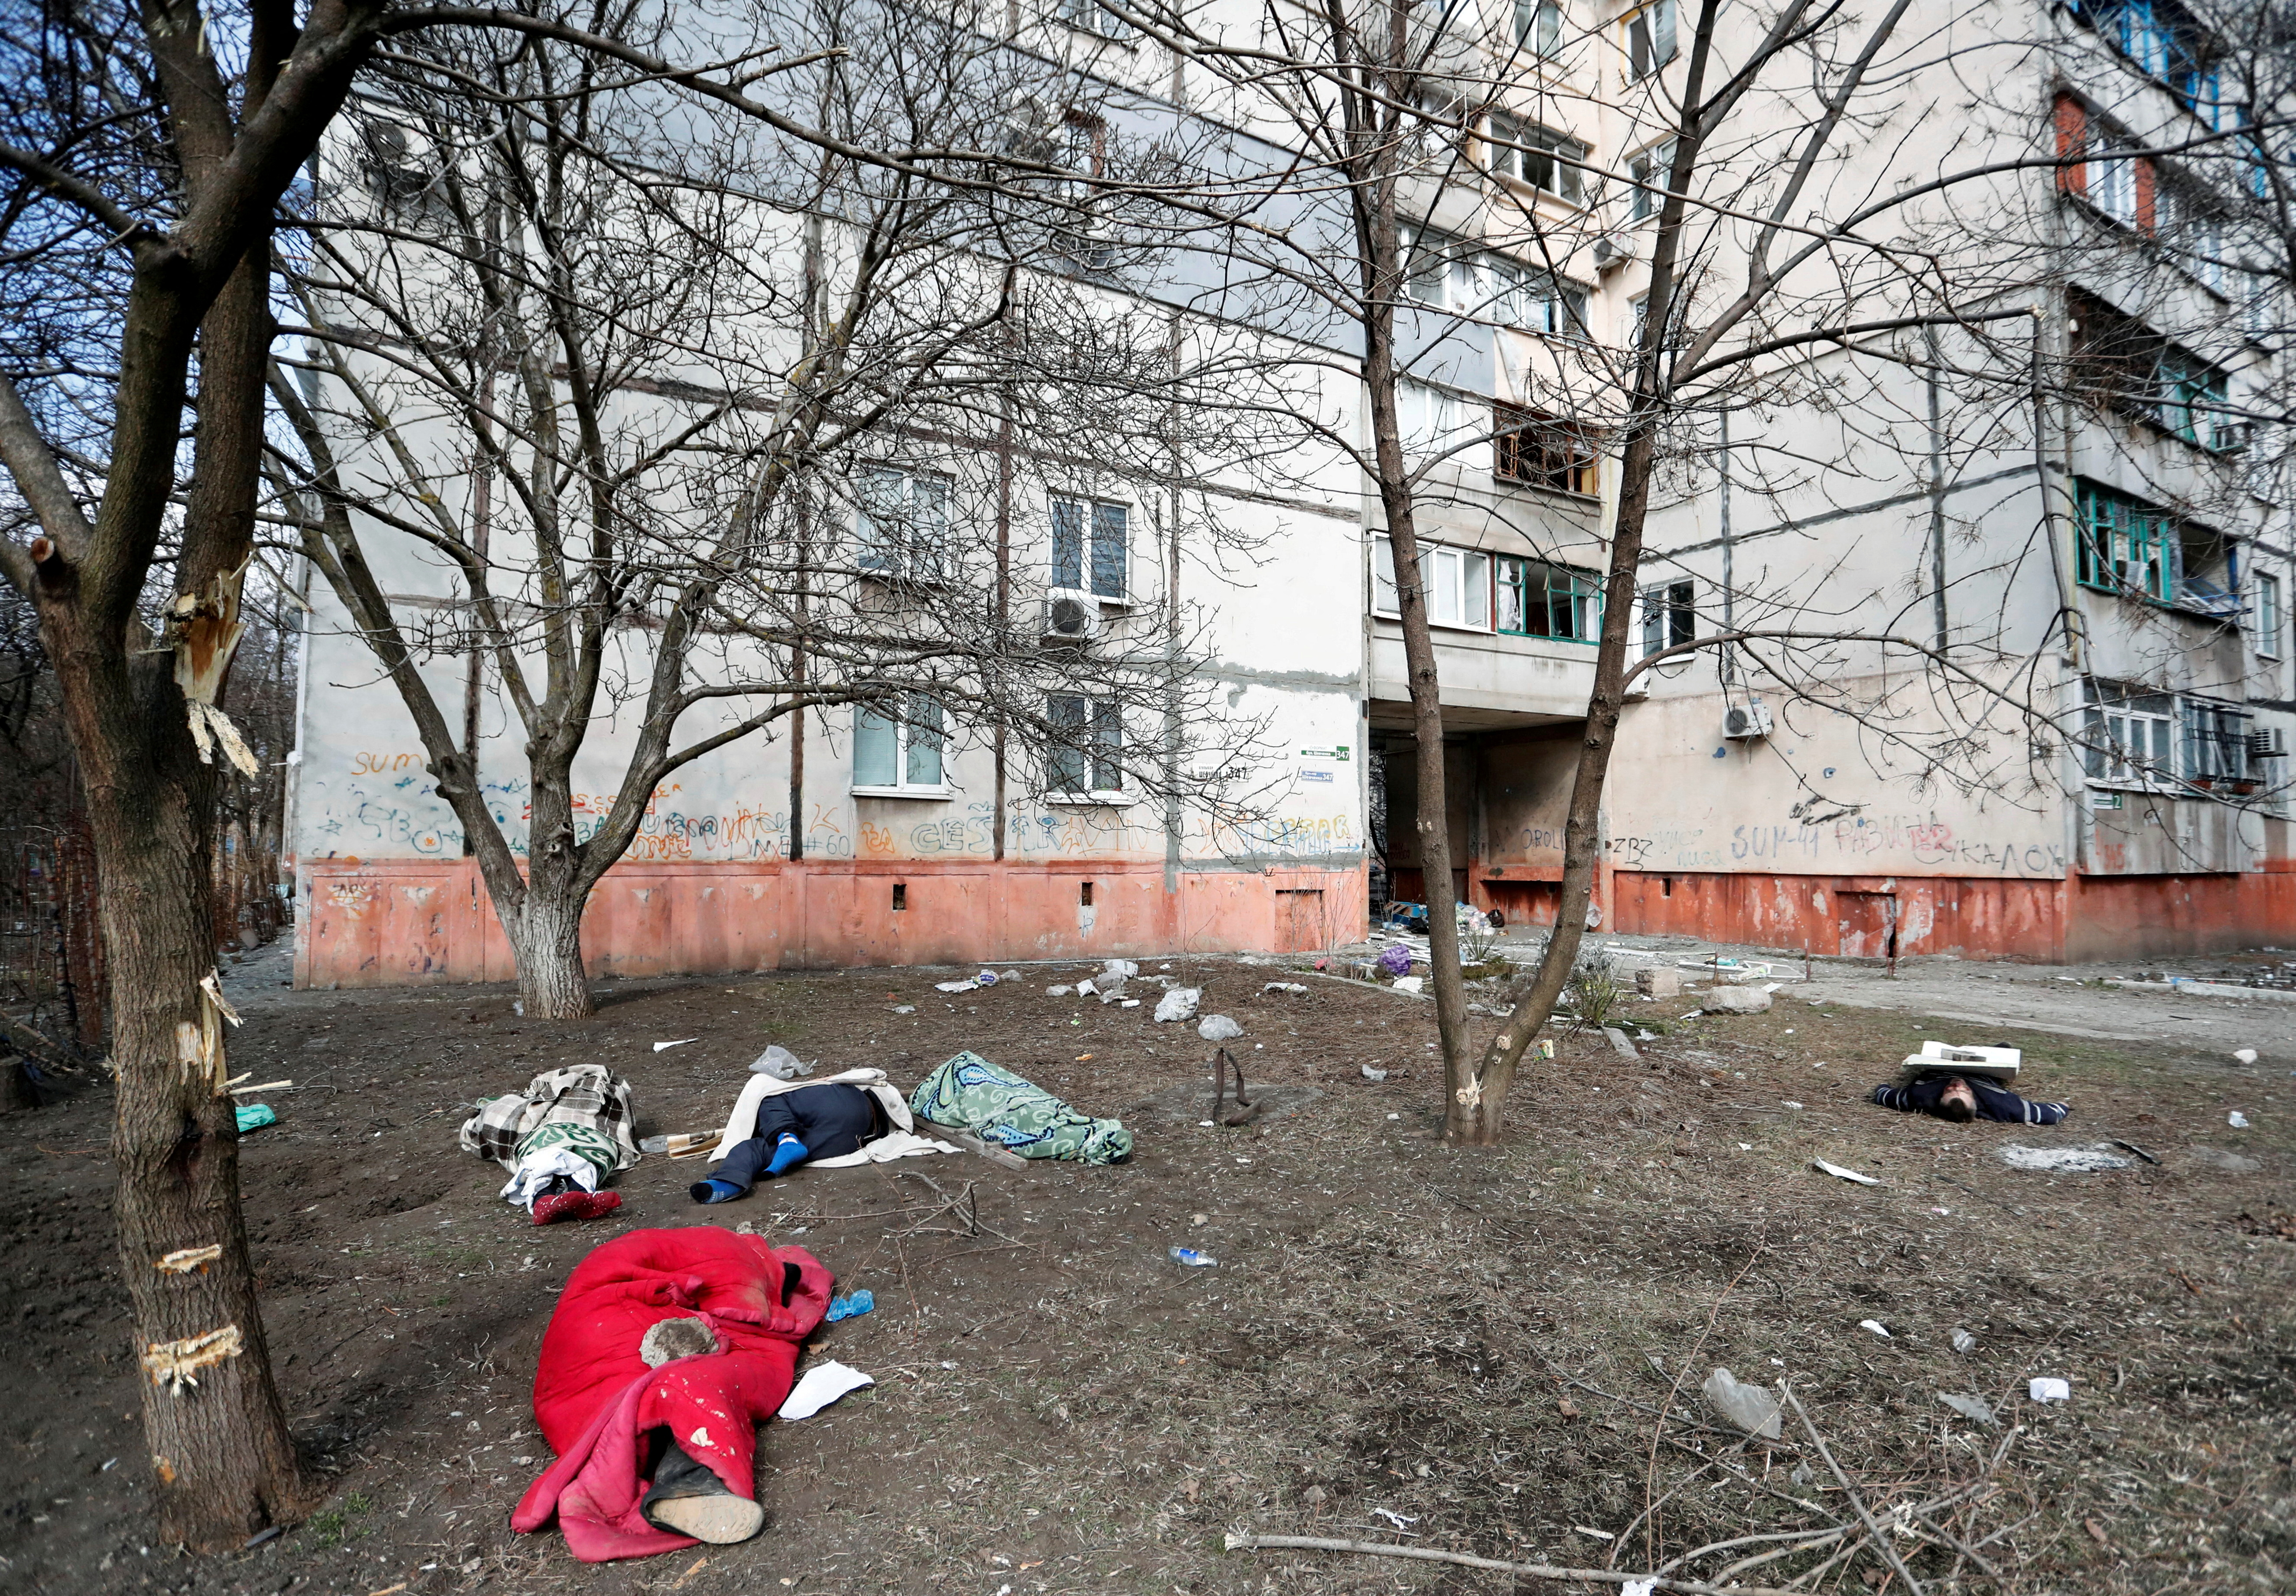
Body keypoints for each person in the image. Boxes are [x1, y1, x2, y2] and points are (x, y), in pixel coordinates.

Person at [690, 1081, 886, 1203]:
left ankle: (785, 1138)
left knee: (769, 1098)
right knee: (763, 1145)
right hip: (860, 1131)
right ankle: (727, 1183)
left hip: (853, 1108)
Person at [1870, 1072, 2068, 1125]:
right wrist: (2063, 1107)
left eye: (1950, 1091)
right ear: (1974, 1099)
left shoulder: (1921, 1097)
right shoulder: (2000, 1104)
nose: (1957, 1085)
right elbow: (2048, 1115)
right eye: (1962, 1090)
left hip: (1940, 1067)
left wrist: (1882, 1087)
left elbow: (1885, 1096)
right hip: (1984, 1073)